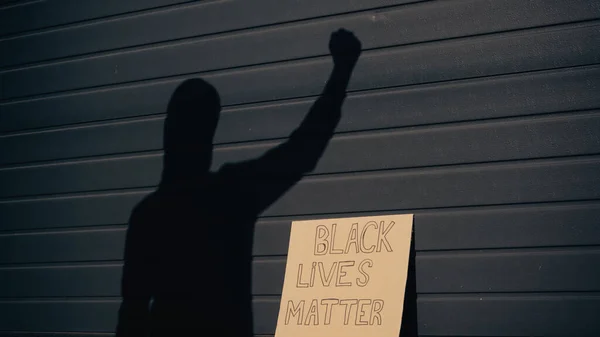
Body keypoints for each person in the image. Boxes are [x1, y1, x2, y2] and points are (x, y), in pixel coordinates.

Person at [116, 28, 362, 337]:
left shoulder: (149, 215)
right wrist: (342, 71)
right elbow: (302, 150)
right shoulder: (229, 194)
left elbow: (132, 315)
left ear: (168, 131)